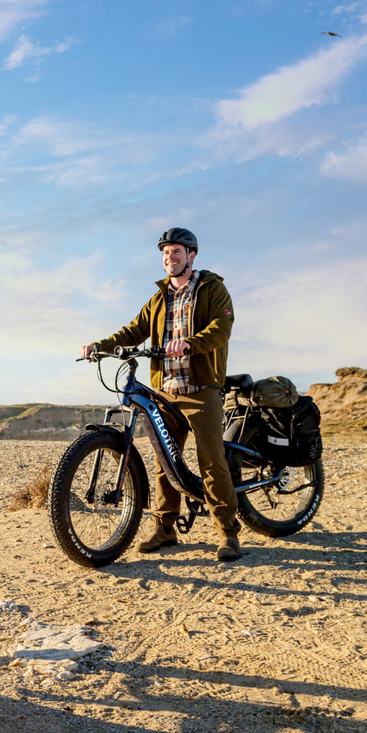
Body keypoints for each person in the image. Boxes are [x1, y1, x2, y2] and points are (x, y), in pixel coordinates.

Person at [80, 227, 243, 561]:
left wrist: (191, 344)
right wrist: (101, 346)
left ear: (191, 256)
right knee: (164, 463)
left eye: (177, 252)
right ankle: (165, 529)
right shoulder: (158, 298)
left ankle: (227, 533)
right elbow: (133, 331)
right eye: (166, 253)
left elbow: (221, 328)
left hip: (201, 388)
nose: (170, 258)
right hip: (165, 390)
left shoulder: (212, 288)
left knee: (211, 460)